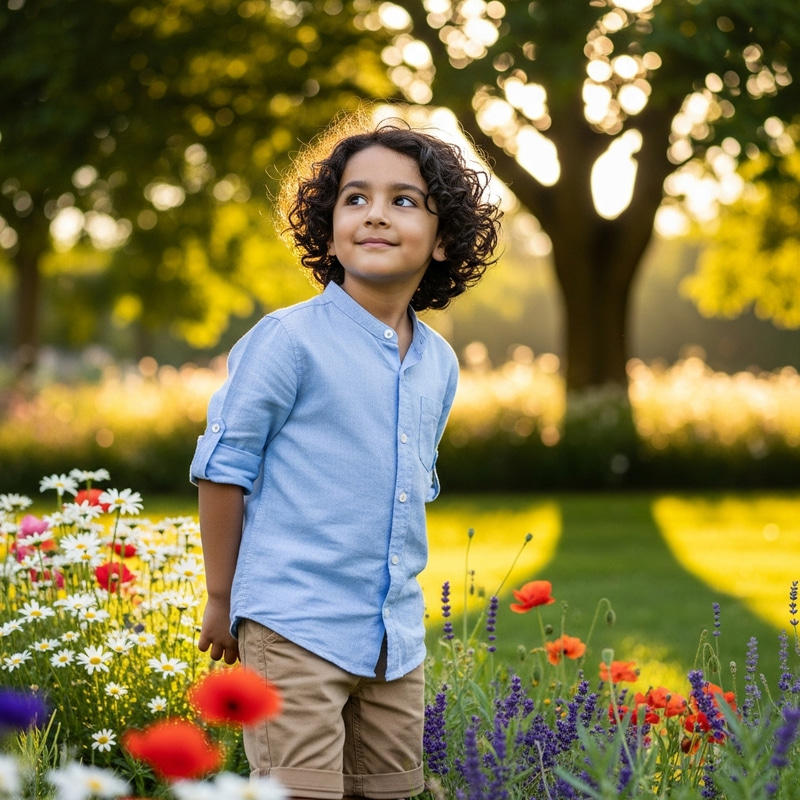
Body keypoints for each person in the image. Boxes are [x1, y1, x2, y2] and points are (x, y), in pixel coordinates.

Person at [190, 113, 502, 800]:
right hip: (293, 624)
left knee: (391, 791)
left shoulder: (438, 363)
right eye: (354, 199)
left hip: (393, 640)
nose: (375, 215)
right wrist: (221, 596)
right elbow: (224, 466)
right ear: (328, 231)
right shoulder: (288, 342)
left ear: (444, 239)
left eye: (403, 201)